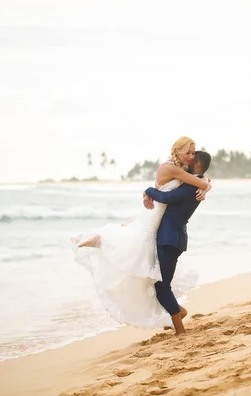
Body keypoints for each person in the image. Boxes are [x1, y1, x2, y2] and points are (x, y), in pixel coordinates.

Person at [70, 136, 211, 328]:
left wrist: (206, 185)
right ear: (176, 151)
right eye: (188, 152)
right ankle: (100, 239)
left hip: (161, 219)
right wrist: (204, 185)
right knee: (135, 245)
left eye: (193, 153)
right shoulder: (170, 167)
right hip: (156, 215)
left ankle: (101, 239)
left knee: (141, 252)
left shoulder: (183, 169)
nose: (191, 156)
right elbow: (196, 181)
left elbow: (200, 178)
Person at [143, 150, 212, 335]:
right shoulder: (196, 183)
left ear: (197, 165)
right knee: (163, 285)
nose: (188, 160)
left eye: (192, 158)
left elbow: (165, 198)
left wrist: (148, 190)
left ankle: (180, 330)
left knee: (162, 287)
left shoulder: (191, 187)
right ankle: (179, 313)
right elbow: (206, 179)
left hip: (170, 238)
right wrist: (207, 184)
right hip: (173, 237)